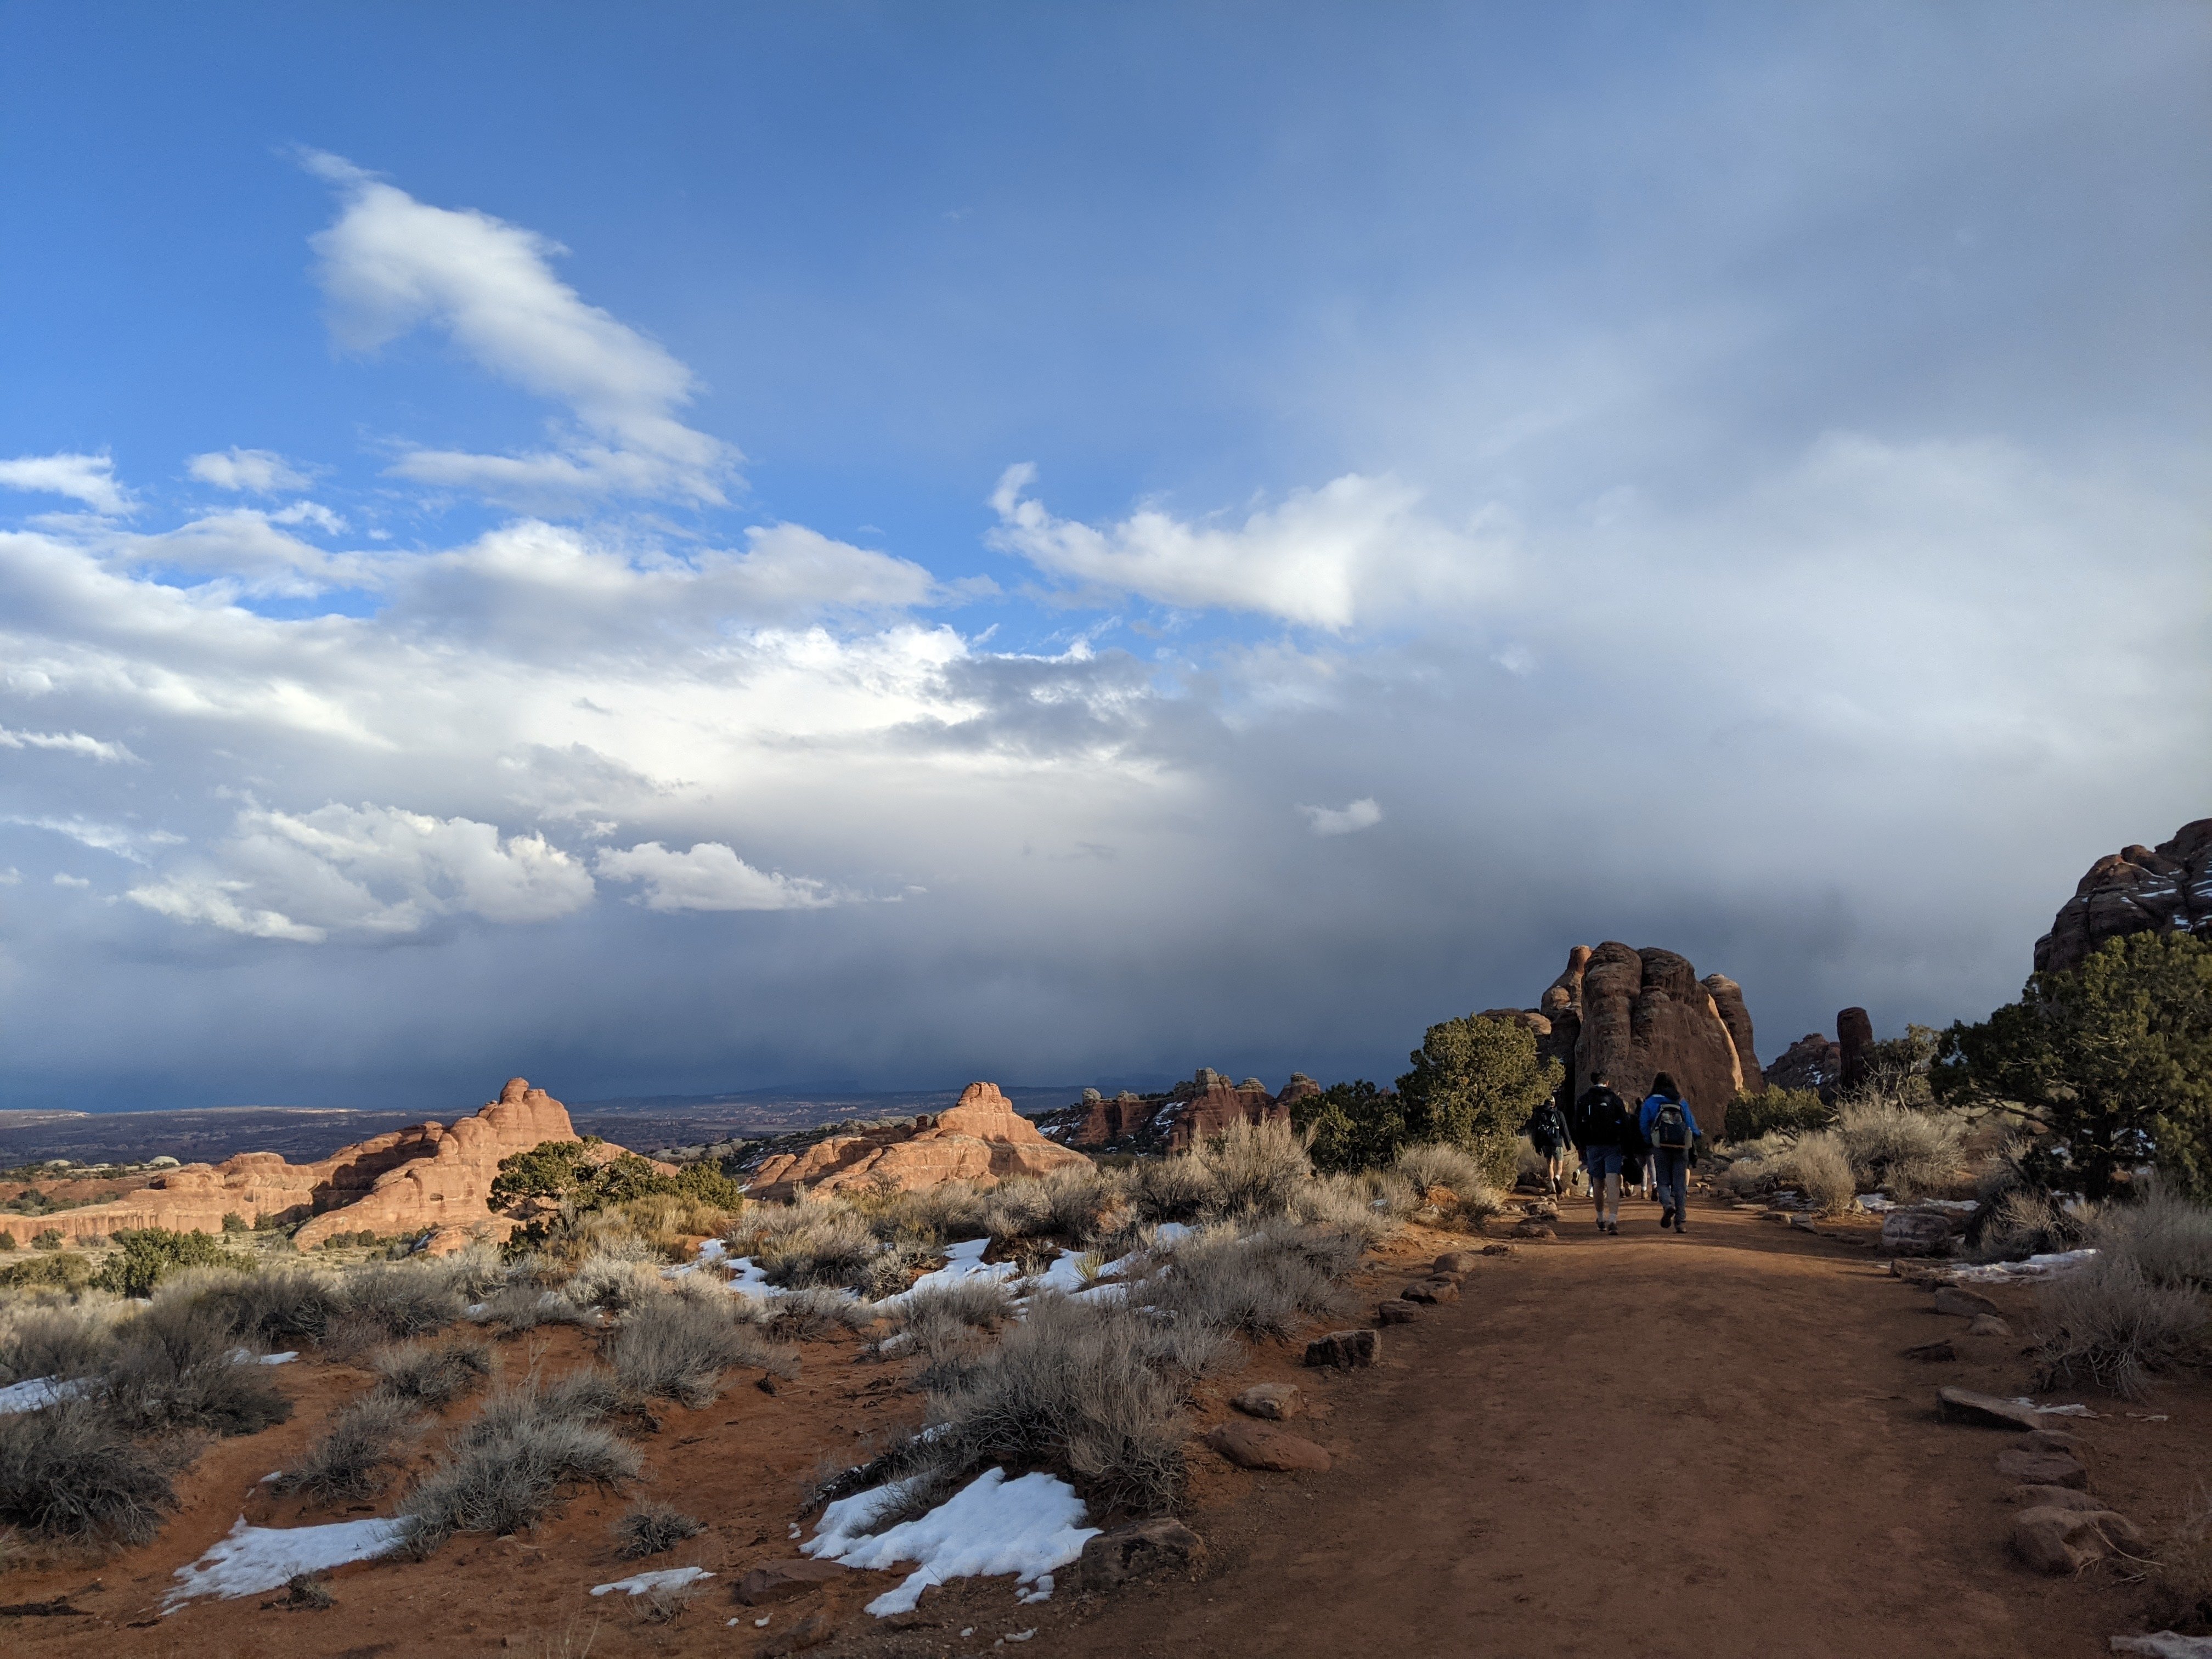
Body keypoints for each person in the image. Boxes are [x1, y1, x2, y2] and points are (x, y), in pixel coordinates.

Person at [1638, 1070, 1702, 1233]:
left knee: (1663, 1182)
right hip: (1681, 1147)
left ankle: (1667, 1205)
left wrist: (1649, 1140)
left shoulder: (1650, 1102)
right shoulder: (1680, 1100)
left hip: (1660, 1147)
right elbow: (1690, 1123)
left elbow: (1644, 1124)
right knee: (1680, 1186)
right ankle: (1680, 1222)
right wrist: (1696, 1136)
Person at [1571, 1070, 1635, 1234]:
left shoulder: (1584, 1100)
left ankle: (1600, 1218)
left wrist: (1580, 1147)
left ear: (1593, 1082)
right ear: (1607, 1082)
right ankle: (1613, 1219)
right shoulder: (1615, 1100)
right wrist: (1628, 1148)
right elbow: (1626, 1125)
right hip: (1613, 1146)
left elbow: (1577, 1125)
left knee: (1598, 1183)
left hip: (1593, 1147)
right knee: (1613, 1180)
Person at [1525, 1094, 1573, 1197]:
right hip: (1557, 1143)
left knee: (1549, 1164)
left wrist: (1537, 1147)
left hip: (1545, 1143)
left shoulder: (1540, 1115)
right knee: (1560, 1166)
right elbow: (1565, 1130)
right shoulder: (1559, 1114)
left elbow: (1536, 1132)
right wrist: (1568, 1145)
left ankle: (1552, 1187)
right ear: (1554, 1103)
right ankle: (1557, 1178)